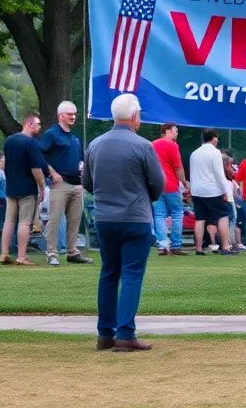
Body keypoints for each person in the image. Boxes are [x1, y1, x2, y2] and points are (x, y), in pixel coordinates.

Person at [84, 93, 165, 352]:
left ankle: (104, 333)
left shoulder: (95, 144)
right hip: (134, 216)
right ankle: (126, 333)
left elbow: (87, 182)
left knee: (108, 272)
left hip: (105, 218)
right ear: (134, 117)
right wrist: (146, 196)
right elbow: (158, 184)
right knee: (131, 274)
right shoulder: (143, 146)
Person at [38, 100, 90, 267]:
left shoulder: (74, 138)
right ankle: (52, 253)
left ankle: (72, 252)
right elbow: (39, 155)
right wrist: (52, 172)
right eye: (69, 114)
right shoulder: (51, 134)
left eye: (74, 114)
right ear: (61, 116)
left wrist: (81, 165)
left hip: (77, 184)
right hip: (59, 185)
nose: (73, 117)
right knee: (55, 220)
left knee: (74, 220)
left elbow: (81, 157)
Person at [0, 113, 47, 266]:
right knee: (25, 222)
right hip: (27, 188)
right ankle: (21, 256)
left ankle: (4, 253)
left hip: (11, 186)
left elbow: (4, 164)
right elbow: (36, 168)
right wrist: (42, 187)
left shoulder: (9, 141)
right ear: (29, 124)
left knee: (9, 221)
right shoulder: (30, 143)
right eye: (38, 124)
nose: (39, 127)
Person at [190, 128, 234, 256]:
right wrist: (225, 190)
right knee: (222, 216)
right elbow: (219, 174)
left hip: (197, 191)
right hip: (213, 190)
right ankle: (225, 246)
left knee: (200, 219)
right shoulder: (215, 153)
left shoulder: (194, 153)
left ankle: (199, 248)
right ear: (214, 138)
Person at [151, 122, 188, 256]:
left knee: (159, 215)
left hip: (156, 185)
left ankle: (163, 245)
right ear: (168, 131)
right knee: (177, 214)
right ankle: (176, 245)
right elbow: (178, 167)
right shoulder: (173, 145)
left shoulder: (152, 144)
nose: (177, 133)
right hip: (171, 184)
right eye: (175, 130)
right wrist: (184, 182)